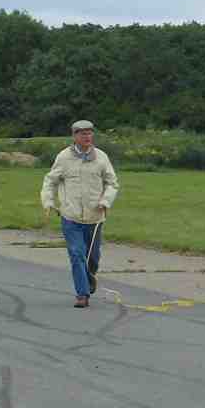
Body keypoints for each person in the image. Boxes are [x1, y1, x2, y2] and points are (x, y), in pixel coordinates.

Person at [41, 119, 119, 308]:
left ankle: (89, 277)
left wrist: (105, 201)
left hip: (95, 217)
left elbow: (112, 183)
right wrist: (48, 201)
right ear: (74, 136)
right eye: (82, 133)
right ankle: (82, 294)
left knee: (93, 257)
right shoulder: (64, 157)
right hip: (71, 217)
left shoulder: (101, 157)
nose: (87, 136)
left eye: (90, 133)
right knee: (77, 254)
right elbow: (50, 181)